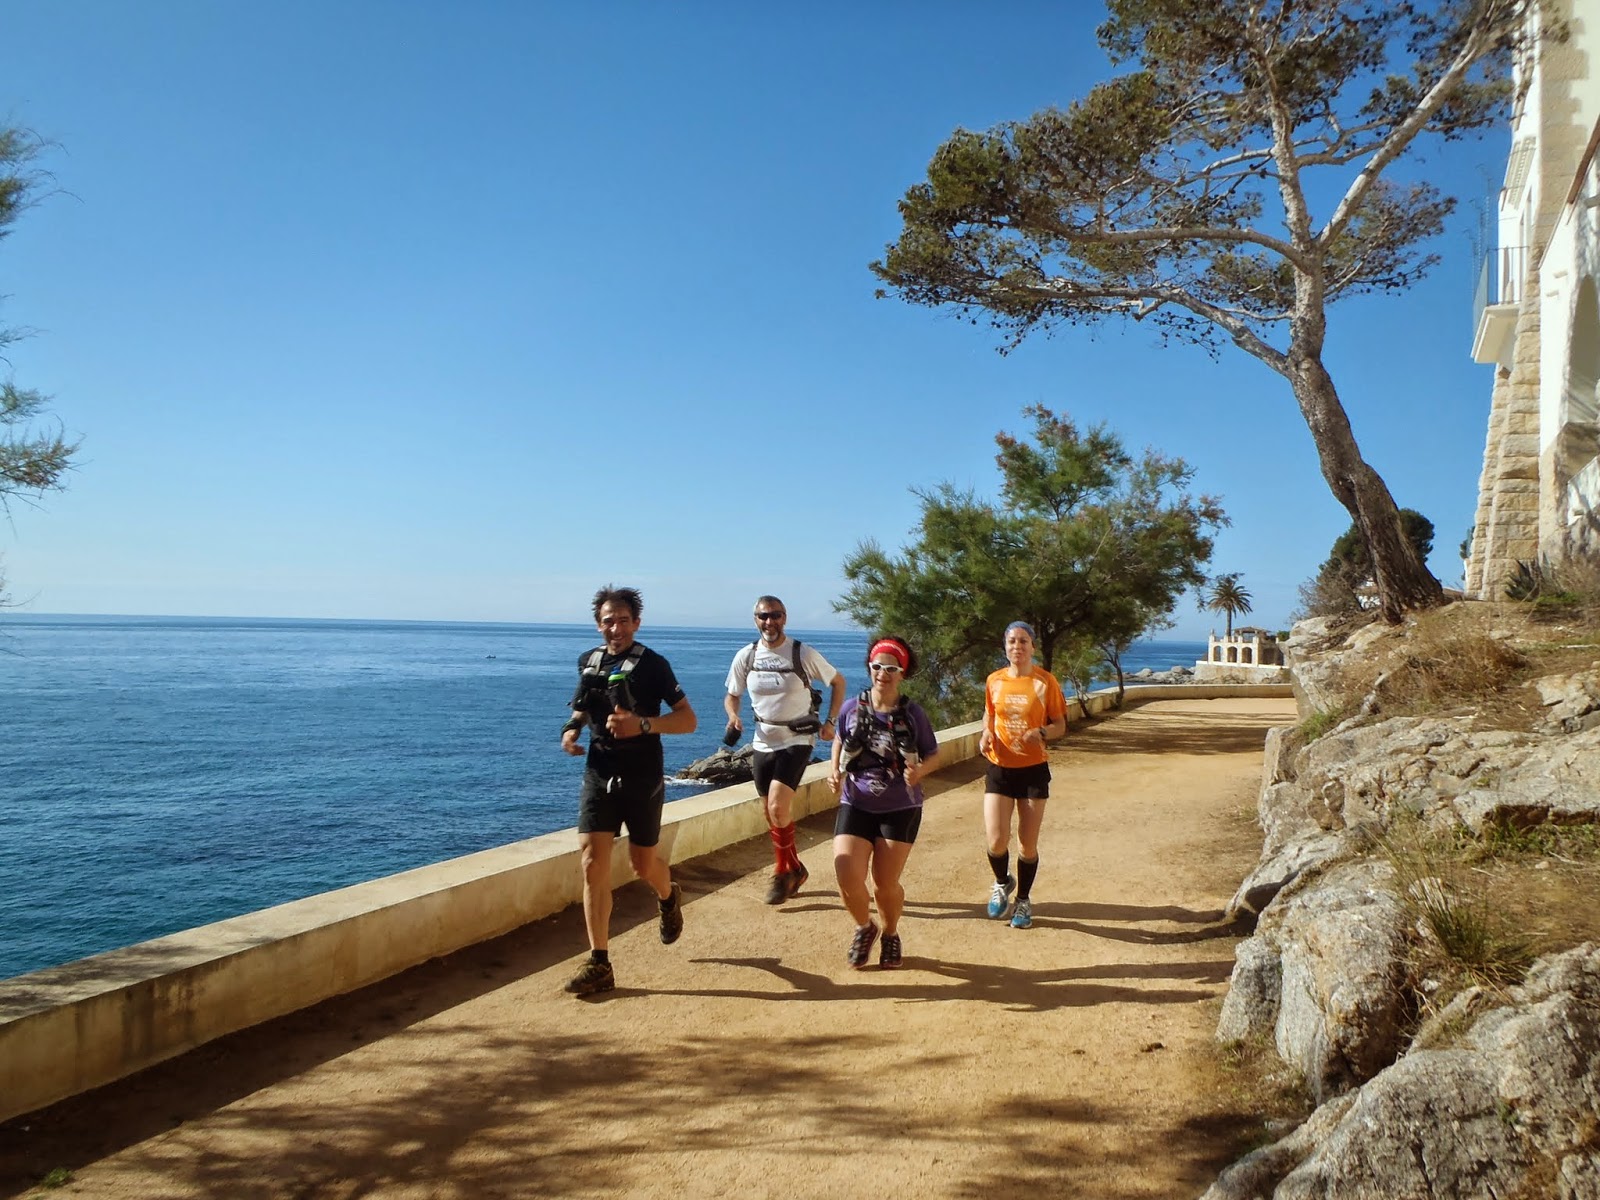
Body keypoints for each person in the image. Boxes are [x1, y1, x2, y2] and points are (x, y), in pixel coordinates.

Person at [559, 585, 698, 995]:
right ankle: (599, 962)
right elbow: (583, 705)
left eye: (623, 620)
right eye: (607, 621)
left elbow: (688, 720)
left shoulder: (655, 665)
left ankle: (668, 895)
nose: (615, 628)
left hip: (642, 772)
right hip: (599, 770)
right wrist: (571, 730)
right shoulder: (590, 661)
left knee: (642, 864)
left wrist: (643, 724)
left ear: (636, 623)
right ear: (598, 624)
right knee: (591, 862)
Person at [724, 596, 846, 904]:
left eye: (775, 615)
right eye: (763, 616)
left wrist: (831, 721)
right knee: (769, 812)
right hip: (763, 739)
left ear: (785, 618)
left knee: (778, 808)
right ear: (756, 620)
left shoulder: (800, 652)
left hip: (798, 738)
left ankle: (781, 873)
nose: (770, 622)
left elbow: (838, 681)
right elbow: (732, 695)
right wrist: (733, 716)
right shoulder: (746, 656)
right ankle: (796, 868)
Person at [827, 636, 941, 969]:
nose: (883, 673)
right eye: (878, 666)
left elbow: (934, 754)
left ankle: (890, 932)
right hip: (856, 802)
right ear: (870, 668)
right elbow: (839, 740)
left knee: (884, 883)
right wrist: (834, 770)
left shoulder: (913, 714)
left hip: (900, 806)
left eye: (891, 668)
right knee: (846, 873)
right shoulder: (852, 707)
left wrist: (920, 772)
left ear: (902, 673)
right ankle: (865, 927)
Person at [978, 620, 1069, 930]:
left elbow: (1060, 724)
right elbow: (989, 714)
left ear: (1033, 647)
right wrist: (985, 734)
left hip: (1032, 771)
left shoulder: (1045, 682)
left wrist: (1041, 731)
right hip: (999, 767)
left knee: (1026, 844)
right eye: (1012, 641)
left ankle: (1024, 901)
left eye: (1023, 641)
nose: (1017, 646)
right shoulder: (994, 680)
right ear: (1005, 647)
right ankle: (1003, 882)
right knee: (995, 839)